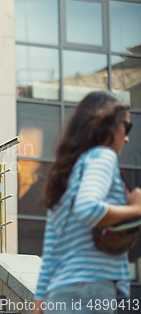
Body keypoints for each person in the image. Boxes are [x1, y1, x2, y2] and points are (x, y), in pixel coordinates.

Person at [34, 91, 141, 314]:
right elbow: (88, 208)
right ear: (106, 125)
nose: (127, 137)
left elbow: (51, 249)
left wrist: (39, 301)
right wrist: (136, 208)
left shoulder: (65, 175)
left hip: (59, 293)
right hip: (91, 289)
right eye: (126, 127)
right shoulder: (104, 155)